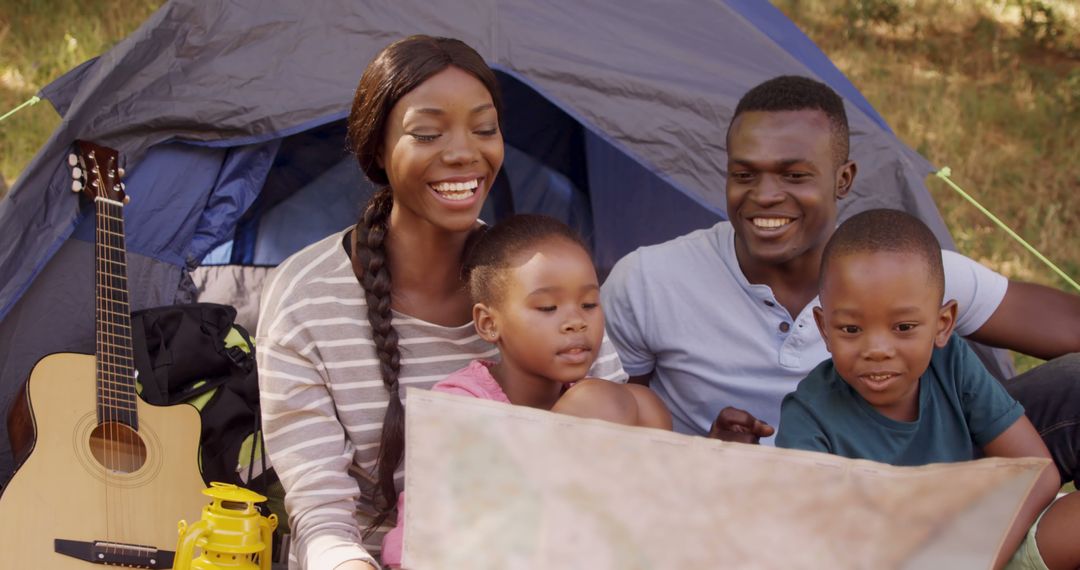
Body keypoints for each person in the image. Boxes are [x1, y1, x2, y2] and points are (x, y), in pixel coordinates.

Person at [256, 37, 628, 570]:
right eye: (427, 133)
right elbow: (322, 517)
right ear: (378, 151)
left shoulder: (542, 280)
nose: (463, 153)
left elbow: (616, 450)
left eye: (484, 128)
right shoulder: (306, 298)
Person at [601, 75, 1080, 485]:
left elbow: (1064, 324)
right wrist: (700, 458)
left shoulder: (909, 272)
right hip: (748, 504)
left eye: (794, 175)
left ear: (843, 179)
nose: (765, 195)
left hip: (930, 480)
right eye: (744, 174)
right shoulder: (649, 280)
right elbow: (602, 419)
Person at [776, 209, 1080, 570]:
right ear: (825, 329)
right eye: (851, 330)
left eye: (903, 327)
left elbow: (1037, 471)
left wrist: (983, 560)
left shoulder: (949, 364)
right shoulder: (808, 420)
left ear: (943, 324)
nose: (877, 349)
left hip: (987, 542)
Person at [380, 213, 671, 568]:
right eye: (548, 307)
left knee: (640, 403)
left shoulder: (601, 405)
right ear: (488, 323)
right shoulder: (462, 406)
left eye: (589, 304)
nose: (576, 321)